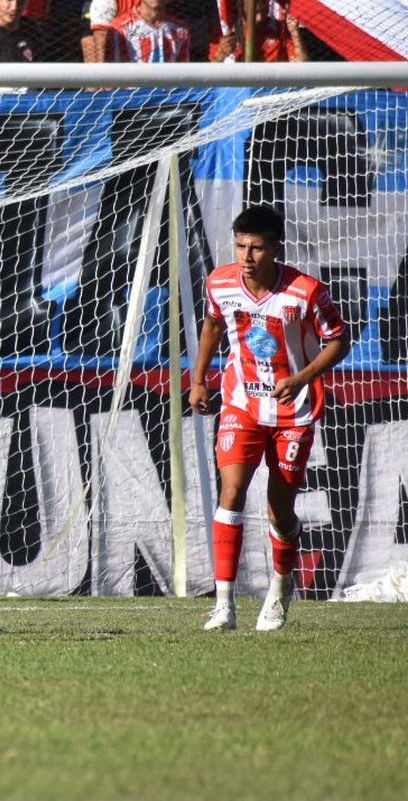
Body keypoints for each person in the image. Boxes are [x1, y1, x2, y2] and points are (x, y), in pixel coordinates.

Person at [190, 205, 350, 631]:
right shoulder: (220, 282)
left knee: (280, 510)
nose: (246, 256)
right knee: (232, 490)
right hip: (241, 403)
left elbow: (339, 339)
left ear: (276, 249)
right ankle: (223, 605)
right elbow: (212, 325)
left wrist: (301, 378)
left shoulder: (305, 291)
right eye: (240, 245)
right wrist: (200, 380)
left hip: (292, 411)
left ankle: (280, 591)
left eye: (256, 248)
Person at [210, 0, 306, 63]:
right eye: (255, 2)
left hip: (272, 86)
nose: (260, 5)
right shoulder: (226, 32)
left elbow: (301, 66)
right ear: (242, 4)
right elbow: (209, 76)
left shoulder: (280, 28)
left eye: (264, 2)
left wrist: (295, 33)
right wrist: (221, 55)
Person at [102, 0, 189, 63]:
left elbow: (183, 68)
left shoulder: (180, 29)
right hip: (134, 88)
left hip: (169, 88)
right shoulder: (120, 28)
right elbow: (116, 72)